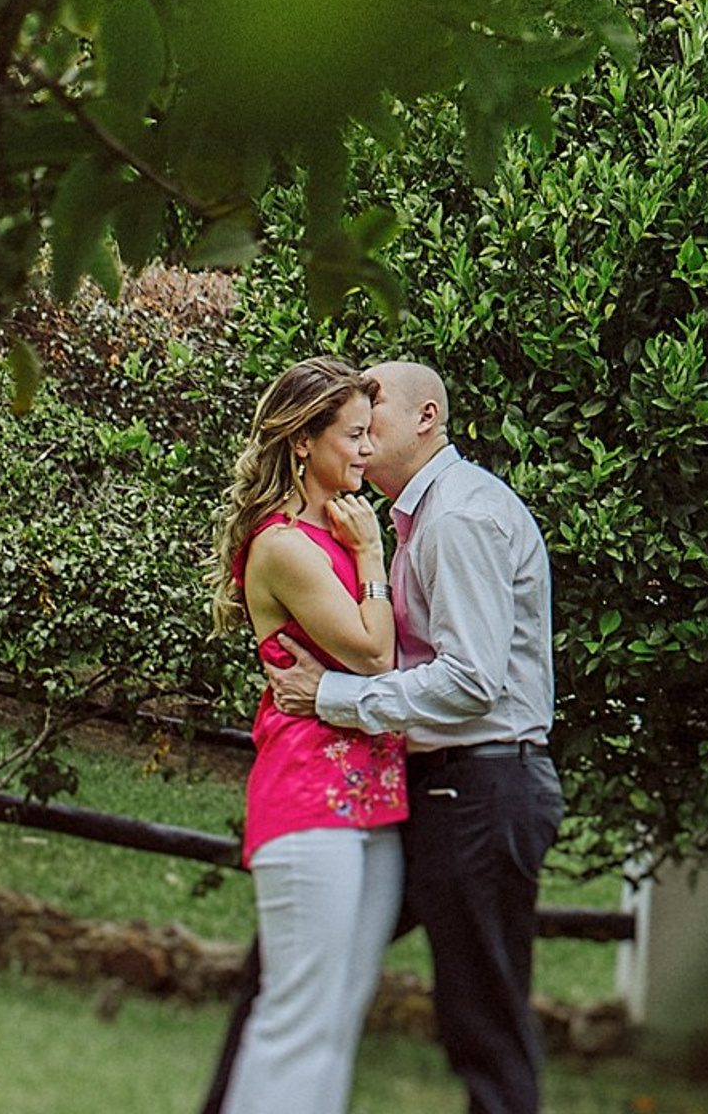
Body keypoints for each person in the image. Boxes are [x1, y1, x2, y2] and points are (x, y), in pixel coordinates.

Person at [269, 358, 562, 1114]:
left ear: (427, 418)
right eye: (352, 424)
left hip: (481, 786)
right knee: (292, 965)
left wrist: (331, 697)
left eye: (375, 412)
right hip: (436, 788)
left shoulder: (459, 516)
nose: (361, 435)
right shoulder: (413, 521)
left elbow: (471, 682)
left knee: (482, 1021)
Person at [206, 356, 409, 1114]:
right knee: (296, 1015)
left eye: (369, 434)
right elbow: (373, 650)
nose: (366, 450)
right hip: (307, 799)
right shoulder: (286, 543)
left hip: (375, 802)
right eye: (353, 435)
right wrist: (371, 558)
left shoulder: (340, 526)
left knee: (337, 1020)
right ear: (303, 440)